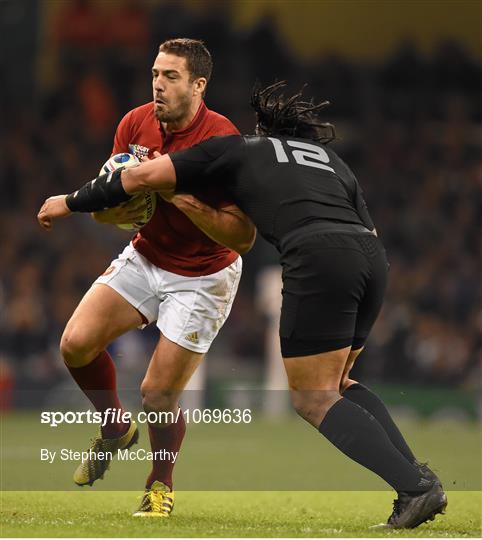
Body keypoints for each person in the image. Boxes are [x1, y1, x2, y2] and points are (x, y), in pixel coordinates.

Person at [38, 81, 447, 529]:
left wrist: (69, 202)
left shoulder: (239, 148)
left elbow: (138, 178)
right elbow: (367, 231)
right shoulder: (333, 162)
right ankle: (419, 480)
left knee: (313, 398)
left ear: (263, 129)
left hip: (315, 257)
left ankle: (415, 488)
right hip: (371, 261)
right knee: (340, 382)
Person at [47, 38, 256, 517]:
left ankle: (160, 484)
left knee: (158, 394)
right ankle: (115, 429)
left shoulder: (223, 142)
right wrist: (119, 206)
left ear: (199, 85)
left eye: (171, 77)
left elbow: (243, 236)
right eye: (155, 74)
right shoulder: (135, 123)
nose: (158, 85)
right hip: (148, 255)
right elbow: (111, 211)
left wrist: (172, 190)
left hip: (206, 274)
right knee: (74, 344)